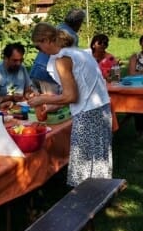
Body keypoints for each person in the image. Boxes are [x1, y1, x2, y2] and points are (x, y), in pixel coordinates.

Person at [28, 23, 113, 186]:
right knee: (98, 158)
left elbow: (71, 96)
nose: (40, 52)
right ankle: (100, 192)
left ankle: (83, 200)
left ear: (46, 40)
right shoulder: (78, 52)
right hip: (101, 108)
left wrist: (42, 99)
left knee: (84, 160)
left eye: (38, 47)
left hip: (88, 113)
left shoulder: (62, 60)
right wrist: (55, 105)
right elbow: (79, 89)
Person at [31, 9, 85, 94]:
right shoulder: (69, 36)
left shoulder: (57, 28)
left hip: (36, 71)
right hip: (48, 76)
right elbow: (69, 61)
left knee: (40, 104)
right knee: (50, 103)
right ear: (78, 23)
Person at [0, 43, 32, 108]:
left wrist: (28, 95)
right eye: (15, 60)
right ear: (6, 58)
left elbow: (28, 90)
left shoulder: (22, 68)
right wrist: (11, 98)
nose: (18, 63)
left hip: (18, 108)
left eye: (21, 60)